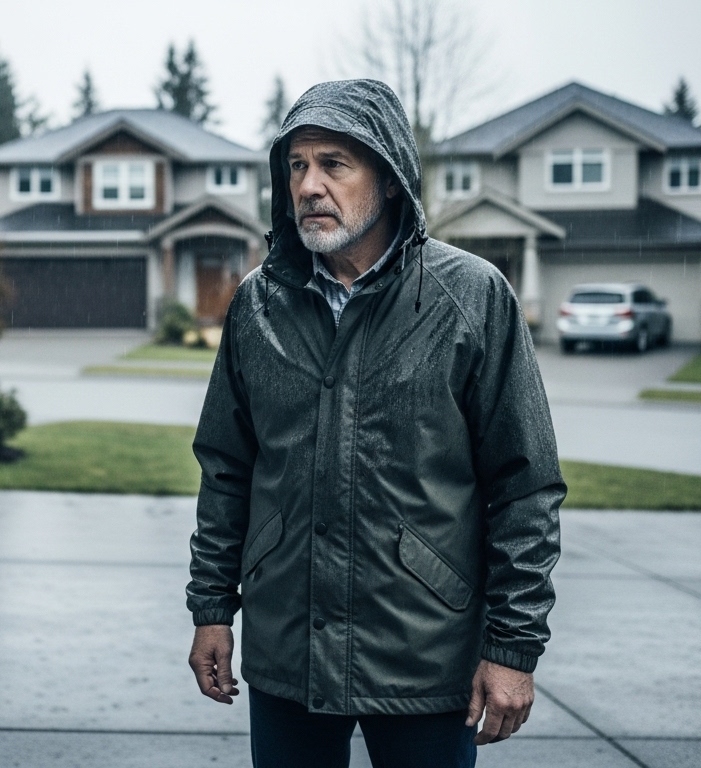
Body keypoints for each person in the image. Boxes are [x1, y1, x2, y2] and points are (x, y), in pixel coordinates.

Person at [185, 79, 565, 768]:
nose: (308, 185)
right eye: (296, 166)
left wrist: (511, 647)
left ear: (390, 179)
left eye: (334, 164)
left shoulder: (471, 298)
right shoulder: (257, 305)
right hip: (287, 650)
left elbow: (524, 486)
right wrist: (212, 607)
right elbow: (226, 468)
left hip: (425, 656)